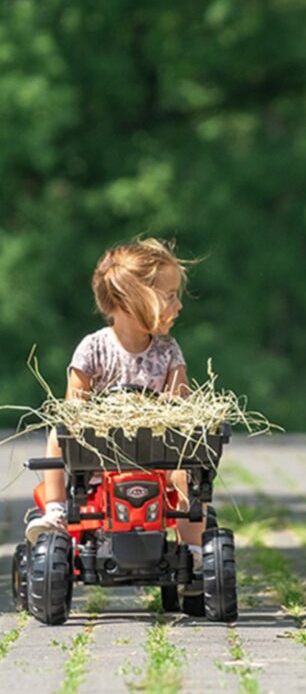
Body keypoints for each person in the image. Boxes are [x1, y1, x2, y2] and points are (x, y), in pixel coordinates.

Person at [25, 239, 205, 580]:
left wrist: (166, 408)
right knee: (58, 432)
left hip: (155, 455)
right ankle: (56, 511)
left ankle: (194, 555)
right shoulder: (93, 348)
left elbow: (179, 408)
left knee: (188, 468)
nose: (178, 305)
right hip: (100, 454)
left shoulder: (168, 352)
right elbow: (75, 406)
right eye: (170, 296)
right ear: (134, 297)